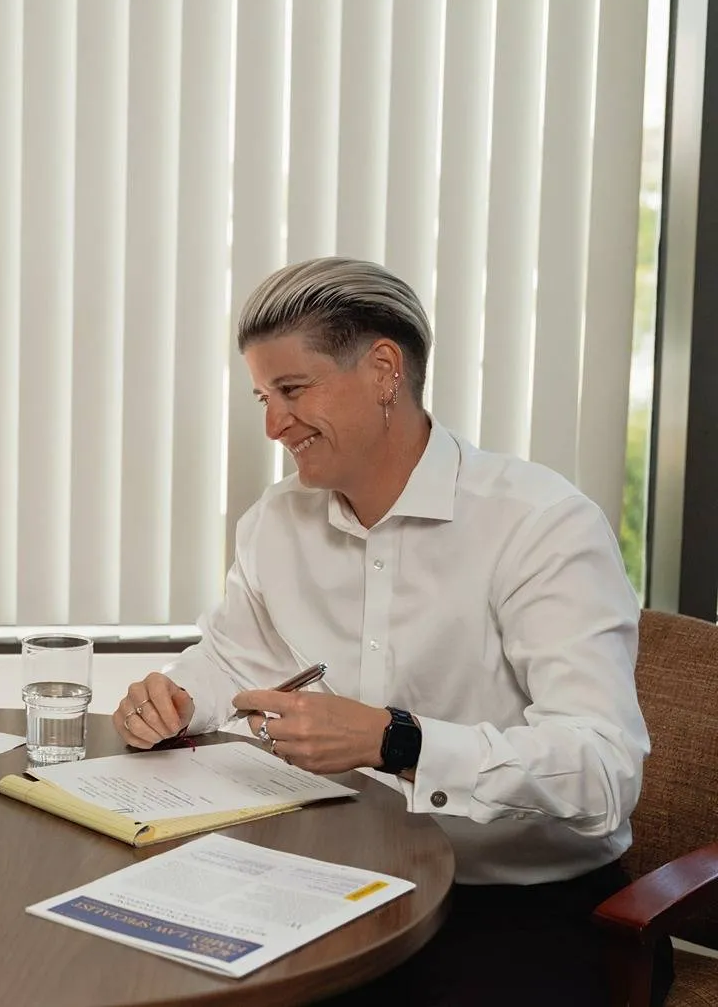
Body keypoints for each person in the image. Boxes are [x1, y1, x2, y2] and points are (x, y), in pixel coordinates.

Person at [112, 257, 671, 1006]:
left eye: (292, 390)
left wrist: (397, 741)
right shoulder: (277, 521)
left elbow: (603, 770)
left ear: (383, 371)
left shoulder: (541, 525)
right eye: (263, 398)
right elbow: (231, 658)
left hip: (516, 905)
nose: (273, 426)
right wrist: (177, 698)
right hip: (335, 880)